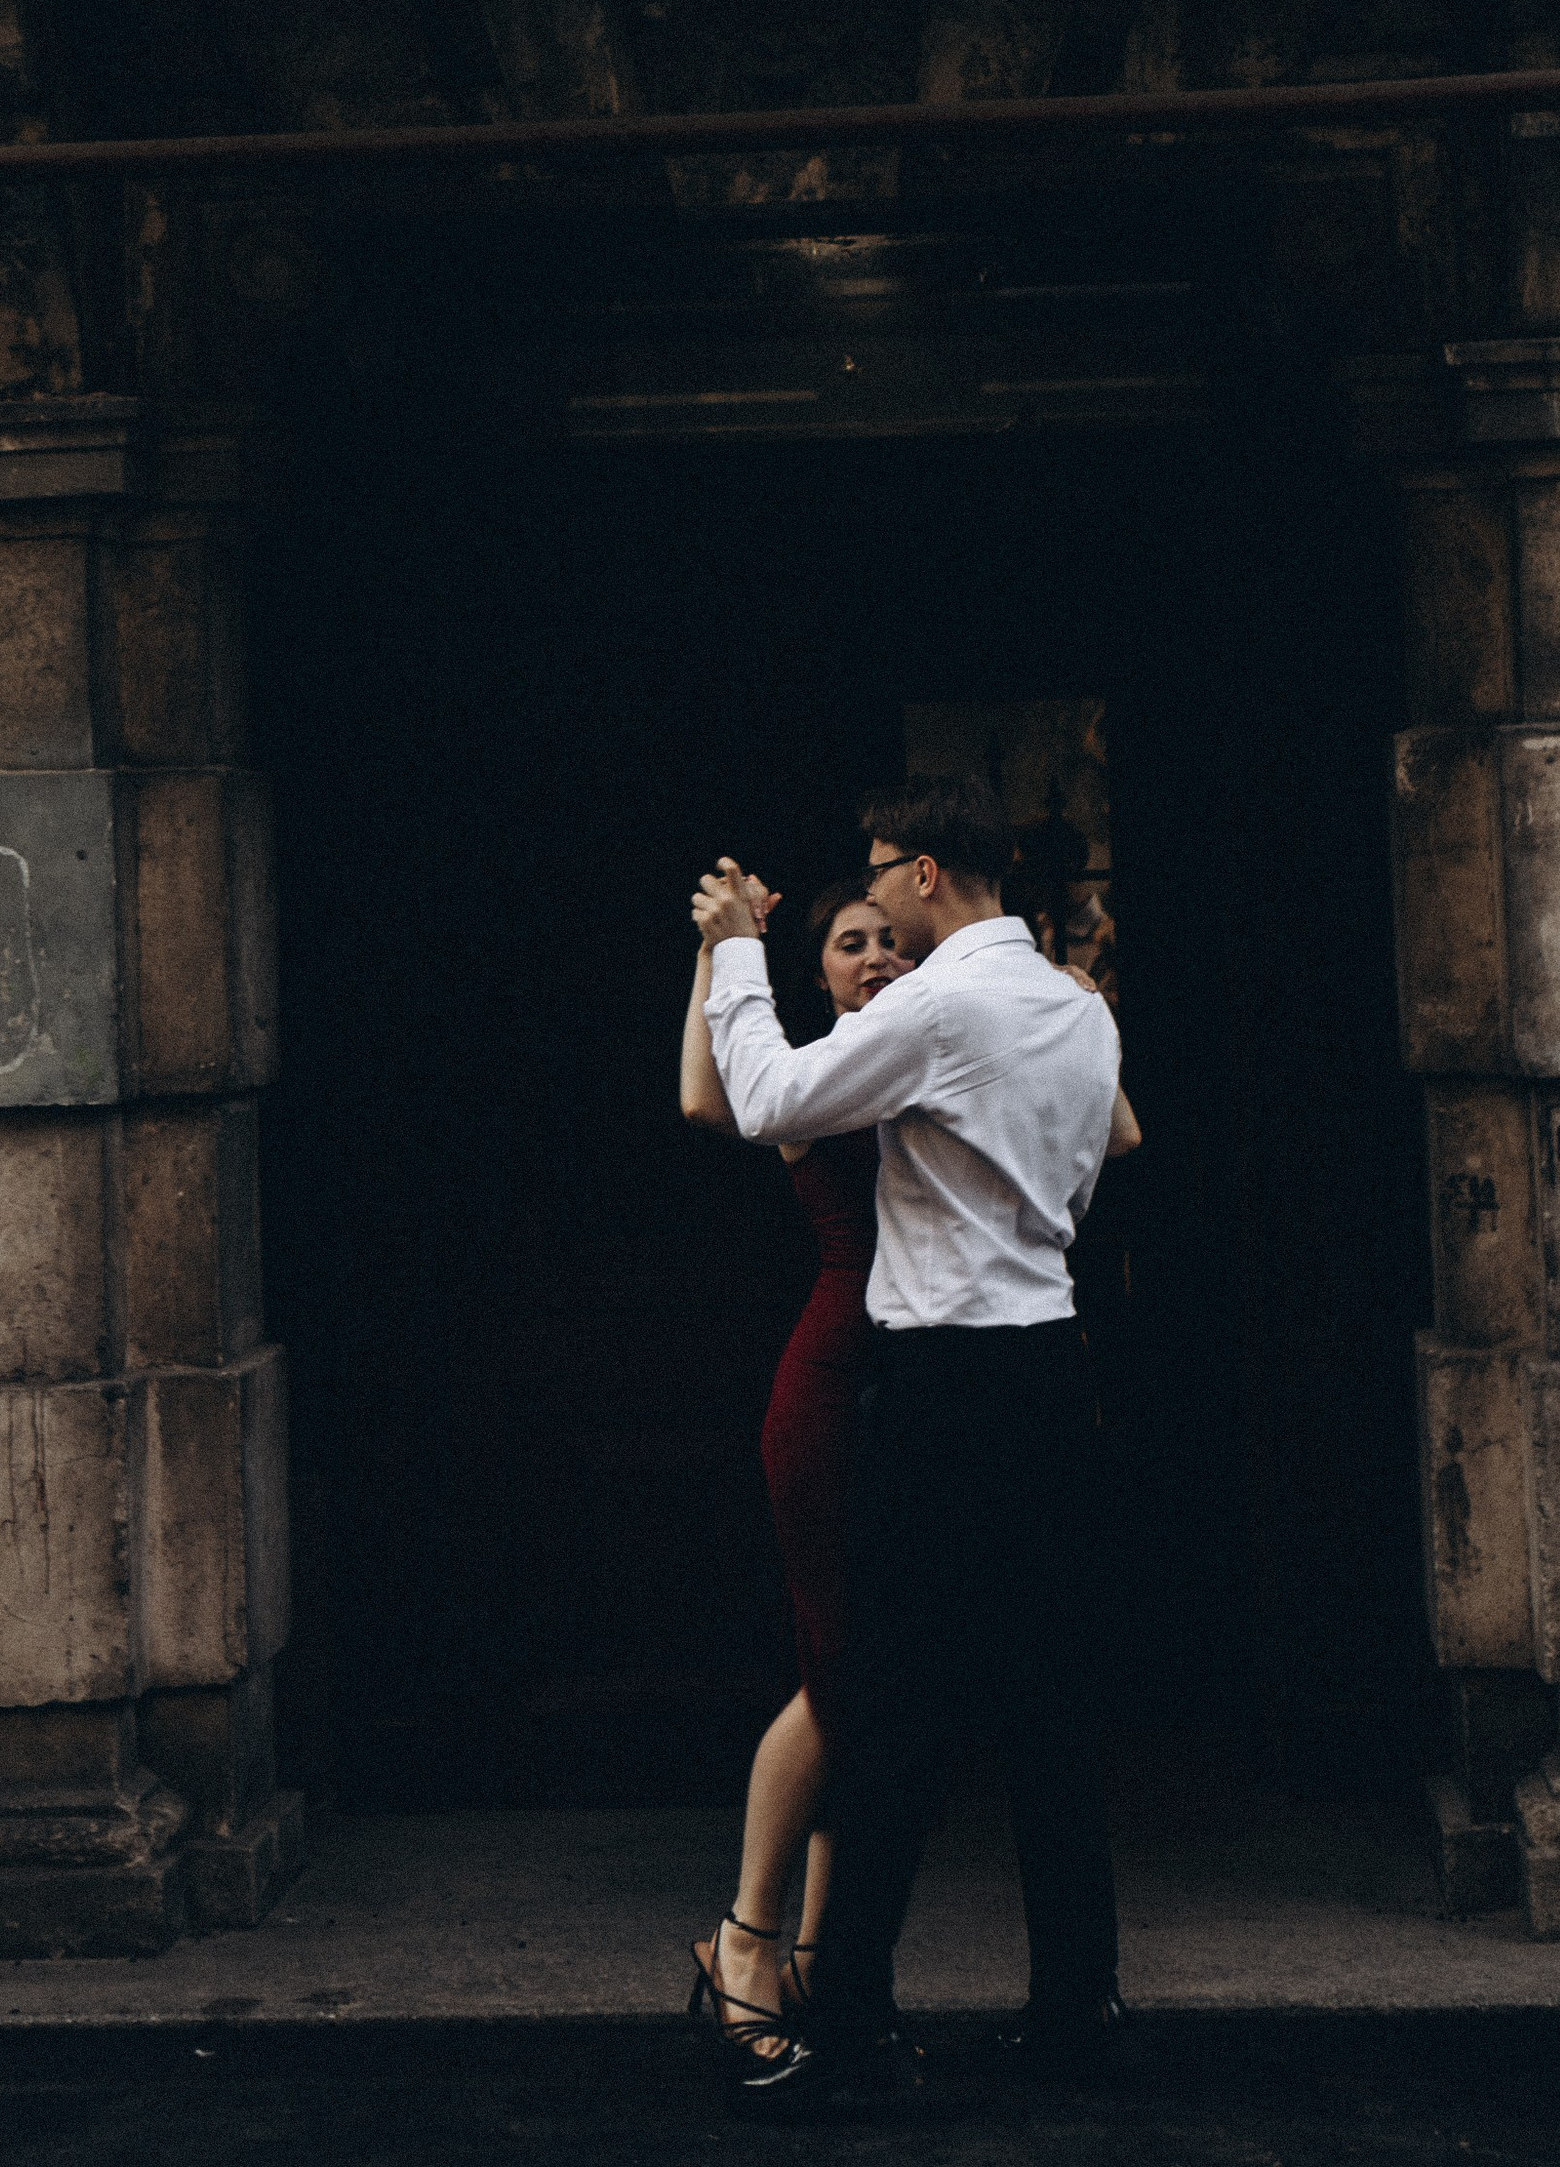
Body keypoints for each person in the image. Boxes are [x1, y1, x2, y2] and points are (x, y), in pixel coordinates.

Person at [694, 775, 1127, 2120]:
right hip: (1053, 1370)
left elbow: (765, 1097)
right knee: (1053, 1714)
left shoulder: (946, 1001)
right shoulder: (1075, 1007)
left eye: (882, 873)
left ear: (928, 874)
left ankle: (860, 2013)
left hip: (945, 1383)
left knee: (888, 1701)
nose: (871, 893)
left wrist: (732, 955)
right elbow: (1095, 1166)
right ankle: (1076, 2009)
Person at [678, 878, 914, 2059]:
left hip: (912, 1385)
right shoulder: (815, 1073)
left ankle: (814, 1955)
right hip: (833, 1382)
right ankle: (744, 1936)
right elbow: (703, 1096)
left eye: (885, 941)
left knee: (871, 1678)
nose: (871, 958)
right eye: (848, 945)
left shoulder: (926, 1046)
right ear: (817, 973)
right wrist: (722, 956)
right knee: (840, 1672)